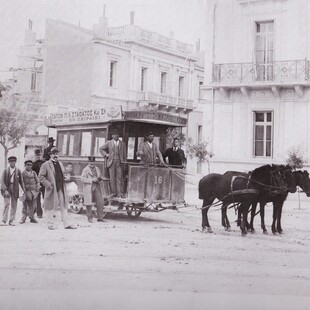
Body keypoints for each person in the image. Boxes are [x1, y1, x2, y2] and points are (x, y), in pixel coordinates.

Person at [38, 147, 76, 230]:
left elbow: (63, 174)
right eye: (53, 153)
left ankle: (67, 224)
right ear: (50, 155)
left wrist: (65, 178)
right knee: (50, 206)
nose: (55, 155)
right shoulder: (46, 164)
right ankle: (50, 224)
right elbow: (40, 177)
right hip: (52, 189)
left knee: (64, 206)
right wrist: (48, 185)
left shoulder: (60, 164)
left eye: (56, 153)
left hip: (61, 188)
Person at [99, 129, 127, 197]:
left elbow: (124, 155)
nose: (116, 136)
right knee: (112, 178)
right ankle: (113, 193)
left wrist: (124, 163)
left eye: (117, 134)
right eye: (115, 135)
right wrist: (106, 155)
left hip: (119, 162)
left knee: (119, 178)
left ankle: (119, 193)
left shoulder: (122, 144)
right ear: (112, 136)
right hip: (111, 162)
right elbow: (101, 148)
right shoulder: (109, 143)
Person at [0, 156, 25, 226]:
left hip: (15, 188)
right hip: (7, 188)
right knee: (6, 204)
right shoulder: (6, 170)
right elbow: (2, 180)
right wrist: (5, 190)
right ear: (9, 162)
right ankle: (4, 220)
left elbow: (21, 181)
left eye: (13, 161)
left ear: (15, 162)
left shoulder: (18, 171)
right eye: (11, 161)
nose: (12, 163)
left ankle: (11, 220)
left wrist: (23, 190)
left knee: (14, 205)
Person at [81, 156, 106, 223]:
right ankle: (90, 218)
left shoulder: (97, 168)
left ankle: (100, 218)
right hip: (89, 187)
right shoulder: (85, 169)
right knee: (88, 203)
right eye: (90, 162)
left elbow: (99, 176)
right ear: (88, 162)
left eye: (92, 162)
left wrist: (100, 178)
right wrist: (91, 180)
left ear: (94, 162)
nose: (91, 163)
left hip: (97, 186)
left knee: (100, 202)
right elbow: (82, 179)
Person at [20, 160, 39, 224]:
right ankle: (23, 218)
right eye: (27, 165)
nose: (29, 166)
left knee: (33, 205)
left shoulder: (34, 173)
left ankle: (32, 218)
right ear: (25, 165)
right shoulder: (22, 173)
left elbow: (37, 181)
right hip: (26, 191)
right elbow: (21, 182)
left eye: (30, 165)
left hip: (33, 191)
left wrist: (37, 189)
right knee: (25, 205)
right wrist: (23, 190)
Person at [32, 149, 44, 218]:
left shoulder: (44, 163)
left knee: (46, 198)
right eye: (37, 155)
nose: (38, 156)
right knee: (37, 198)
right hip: (37, 184)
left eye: (39, 155)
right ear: (35, 156)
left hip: (43, 183)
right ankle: (39, 213)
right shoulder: (33, 164)